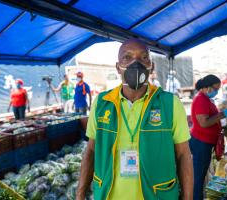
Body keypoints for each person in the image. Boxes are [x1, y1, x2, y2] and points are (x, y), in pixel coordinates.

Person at [76, 38, 194, 200]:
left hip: (157, 195)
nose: (136, 62)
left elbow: (183, 155)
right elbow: (91, 150)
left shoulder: (170, 103)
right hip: (109, 195)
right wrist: (79, 196)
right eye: (127, 57)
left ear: (151, 66)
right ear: (118, 67)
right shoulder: (102, 103)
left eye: (143, 57)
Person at [190, 75, 227, 200]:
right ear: (208, 87)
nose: (216, 92)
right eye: (215, 89)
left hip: (205, 142)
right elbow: (204, 123)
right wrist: (222, 114)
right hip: (201, 142)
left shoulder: (206, 99)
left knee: (200, 176)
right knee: (198, 177)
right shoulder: (200, 100)